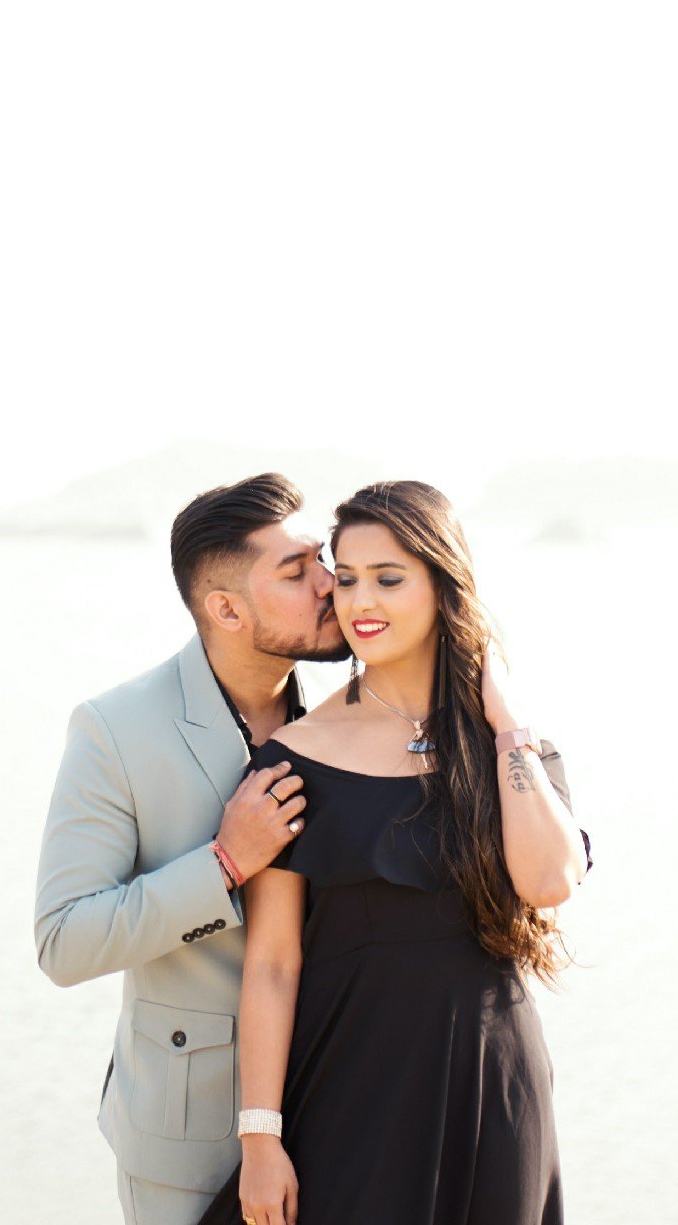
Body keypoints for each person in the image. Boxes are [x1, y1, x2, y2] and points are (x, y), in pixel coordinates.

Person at [196, 480, 593, 1225]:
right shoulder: (294, 758)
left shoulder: (513, 749)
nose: (359, 602)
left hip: (492, 1085)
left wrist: (506, 727)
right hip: (353, 1087)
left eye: (388, 578)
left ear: (442, 585)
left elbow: (547, 882)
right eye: (344, 579)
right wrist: (260, 1139)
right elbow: (274, 964)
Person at [35, 472, 351, 1225]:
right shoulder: (116, 729)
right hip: (188, 1141)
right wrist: (223, 865)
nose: (330, 585)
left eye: (323, 559)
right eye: (296, 570)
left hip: (348, 1117)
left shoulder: (358, 714)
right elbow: (64, 941)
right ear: (226, 608)